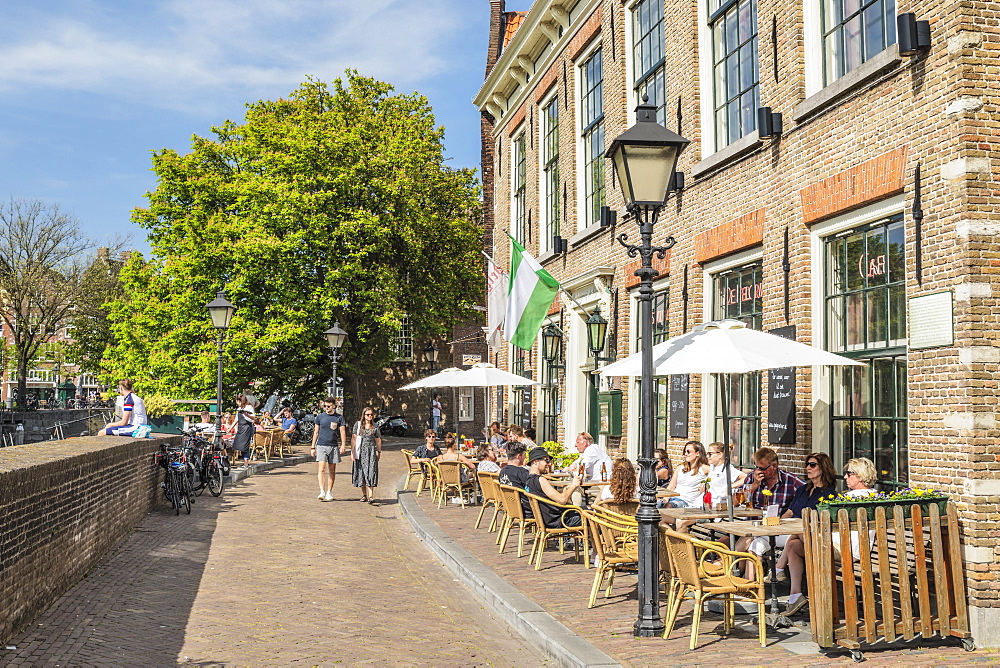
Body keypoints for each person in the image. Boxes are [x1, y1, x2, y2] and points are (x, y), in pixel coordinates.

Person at [737, 452, 838, 595]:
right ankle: (751, 589)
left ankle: (776, 569)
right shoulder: (803, 490)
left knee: (760, 536)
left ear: (823, 468)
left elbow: (818, 521)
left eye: (812, 465)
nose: (808, 468)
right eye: (807, 465)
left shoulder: (829, 494)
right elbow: (790, 512)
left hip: (805, 535)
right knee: (755, 544)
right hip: (788, 531)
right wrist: (777, 524)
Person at [524, 446, 583, 528]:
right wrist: (574, 485)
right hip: (559, 520)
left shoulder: (528, 480)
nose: (549, 464)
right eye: (546, 460)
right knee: (594, 517)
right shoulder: (541, 480)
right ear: (535, 462)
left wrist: (566, 490)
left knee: (587, 511)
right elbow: (562, 500)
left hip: (547, 520)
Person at [737, 446, 804, 511]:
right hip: (753, 520)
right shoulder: (752, 477)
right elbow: (734, 502)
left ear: (774, 466)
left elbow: (809, 492)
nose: (758, 471)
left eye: (762, 468)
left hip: (777, 520)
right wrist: (754, 485)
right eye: (757, 467)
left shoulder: (791, 481)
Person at [311, 396, 347, 502]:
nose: (326, 408)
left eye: (328, 406)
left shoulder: (339, 418)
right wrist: (313, 446)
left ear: (333, 406)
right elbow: (316, 432)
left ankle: (329, 492)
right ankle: (322, 491)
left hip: (333, 445)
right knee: (321, 468)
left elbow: (342, 432)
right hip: (321, 445)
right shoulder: (320, 417)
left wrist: (343, 445)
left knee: (332, 469)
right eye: (325, 406)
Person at [350, 407, 382, 503]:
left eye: (371, 414)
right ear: (364, 415)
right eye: (368, 414)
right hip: (360, 451)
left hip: (371, 451)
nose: (370, 416)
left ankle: (371, 496)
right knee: (362, 473)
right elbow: (353, 439)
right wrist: (352, 452)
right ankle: (364, 495)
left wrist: (379, 451)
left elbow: (378, 440)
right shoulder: (358, 425)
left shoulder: (375, 426)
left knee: (371, 472)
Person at [666, 441, 710, 508]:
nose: (686, 454)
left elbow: (719, 473)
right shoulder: (680, 468)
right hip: (672, 498)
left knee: (669, 506)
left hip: (686, 502)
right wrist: (665, 499)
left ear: (697, 453)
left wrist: (707, 482)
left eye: (688, 452)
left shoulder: (703, 468)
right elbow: (670, 487)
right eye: (685, 451)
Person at [703, 442, 747, 506]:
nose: (707, 456)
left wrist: (731, 486)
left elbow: (745, 477)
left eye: (710, 454)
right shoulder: (712, 467)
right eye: (707, 454)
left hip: (721, 504)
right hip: (710, 503)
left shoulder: (727, 469)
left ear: (720, 455)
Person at [231, 393, 256, 466]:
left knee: (245, 444)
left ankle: (246, 461)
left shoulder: (249, 407)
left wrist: (246, 414)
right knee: (239, 444)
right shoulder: (239, 409)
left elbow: (253, 418)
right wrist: (229, 429)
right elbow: (236, 420)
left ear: (240, 401)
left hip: (247, 427)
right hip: (241, 428)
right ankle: (244, 459)